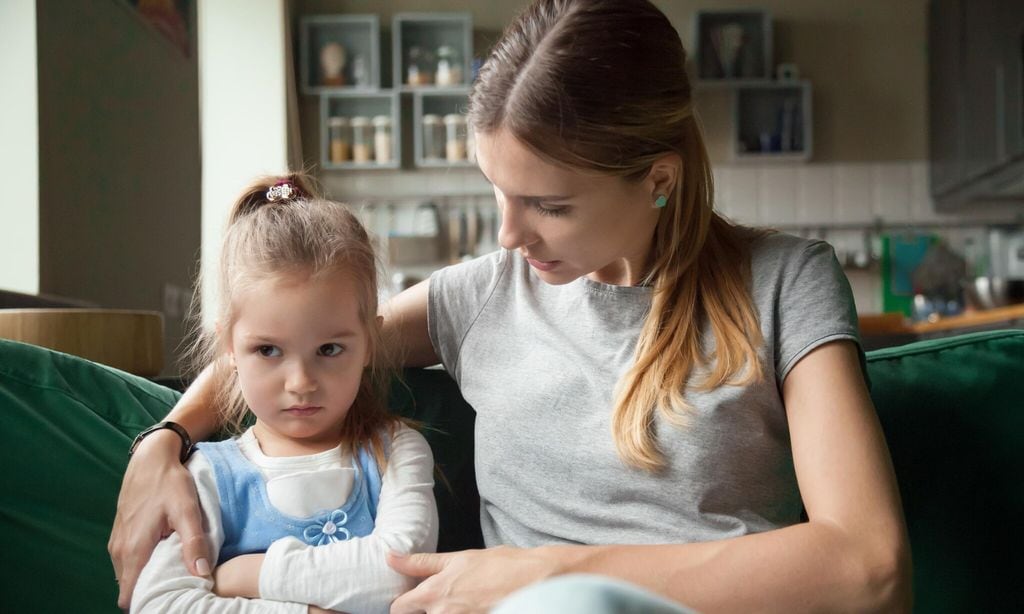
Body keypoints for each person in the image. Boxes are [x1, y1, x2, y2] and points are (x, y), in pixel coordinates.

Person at [111, 0, 912, 612]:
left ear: (658, 180)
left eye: (549, 205)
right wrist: (164, 442)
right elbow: (299, 347)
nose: (508, 233)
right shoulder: (481, 296)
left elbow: (870, 566)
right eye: (497, 192)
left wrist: (554, 569)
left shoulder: (785, 282)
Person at [129, 175, 438, 613]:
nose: (301, 382)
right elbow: (160, 604)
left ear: (369, 343)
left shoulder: (397, 451)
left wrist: (244, 577)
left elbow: (401, 572)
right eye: (268, 350)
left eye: (329, 349)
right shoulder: (209, 476)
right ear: (230, 350)